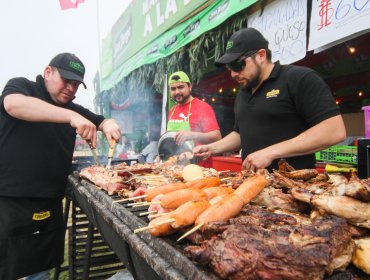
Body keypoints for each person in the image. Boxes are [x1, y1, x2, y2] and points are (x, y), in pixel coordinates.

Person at [0, 53, 121, 279]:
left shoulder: (73, 108)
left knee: (38, 270)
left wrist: (108, 123)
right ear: (48, 72)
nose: (71, 88)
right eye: (66, 80)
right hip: (9, 200)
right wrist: (70, 117)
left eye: (76, 84)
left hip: (49, 202)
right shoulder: (22, 87)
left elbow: (101, 121)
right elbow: (12, 104)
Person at [193, 28, 346, 171]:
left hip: (294, 188)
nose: (233, 74)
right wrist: (212, 148)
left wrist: (271, 152)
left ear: (261, 55)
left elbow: (333, 130)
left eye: (238, 65)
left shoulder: (298, 79)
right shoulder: (243, 92)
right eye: (229, 68)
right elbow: (241, 134)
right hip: (252, 185)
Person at [167, 71, 221, 167]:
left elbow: (217, 137)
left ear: (190, 87)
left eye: (181, 87)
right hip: (176, 168)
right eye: (173, 89)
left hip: (200, 168)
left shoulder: (202, 107)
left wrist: (193, 135)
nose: (177, 92)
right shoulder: (172, 111)